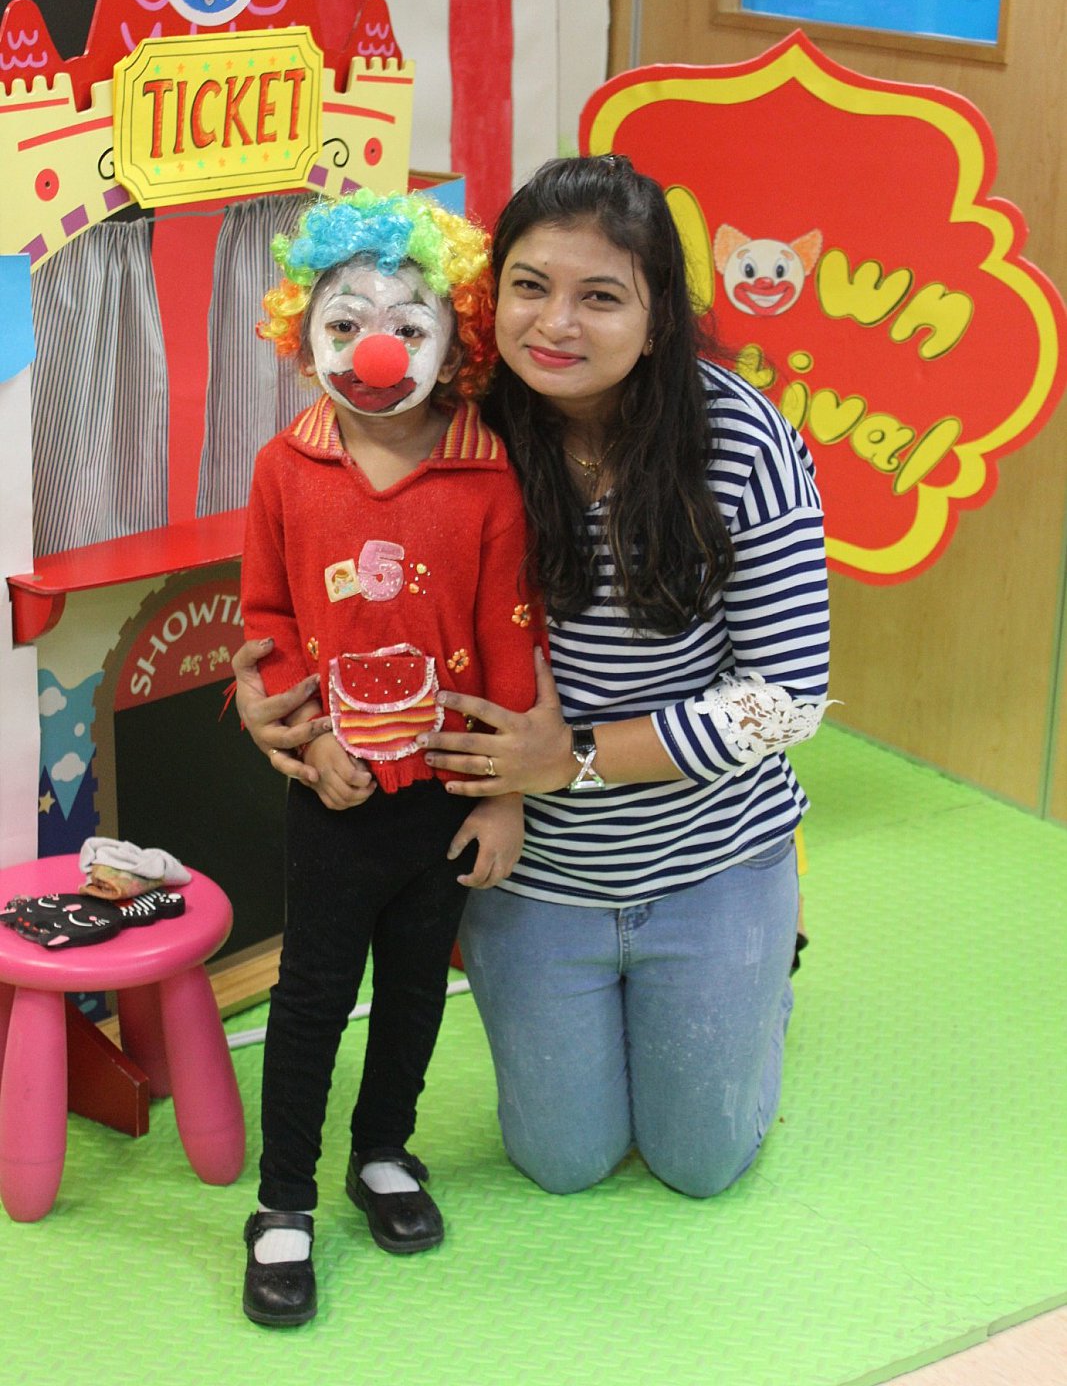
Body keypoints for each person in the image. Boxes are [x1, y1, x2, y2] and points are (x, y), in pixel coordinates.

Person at [233, 154, 829, 1213]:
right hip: (529, 870)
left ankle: (758, 955)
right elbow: (326, 583)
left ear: (658, 316)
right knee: (563, 1159)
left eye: (599, 296)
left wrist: (574, 760)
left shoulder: (739, 439)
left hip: (709, 857)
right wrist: (268, 702)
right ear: (487, 294)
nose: (555, 323)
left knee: (700, 1162)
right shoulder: (454, 421)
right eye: (528, 286)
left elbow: (786, 697)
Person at [238, 190, 541, 1328]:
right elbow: (266, 619)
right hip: (333, 794)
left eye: (409, 326)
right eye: (346, 322)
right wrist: (312, 740)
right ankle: (282, 1201)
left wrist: (503, 797)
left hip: (445, 789)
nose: (376, 347)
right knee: (311, 997)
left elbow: (511, 637)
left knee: (416, 988)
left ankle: (382, 1151)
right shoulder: (283, 466)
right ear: (302, 332)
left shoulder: (490, 475)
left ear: (457, 342)